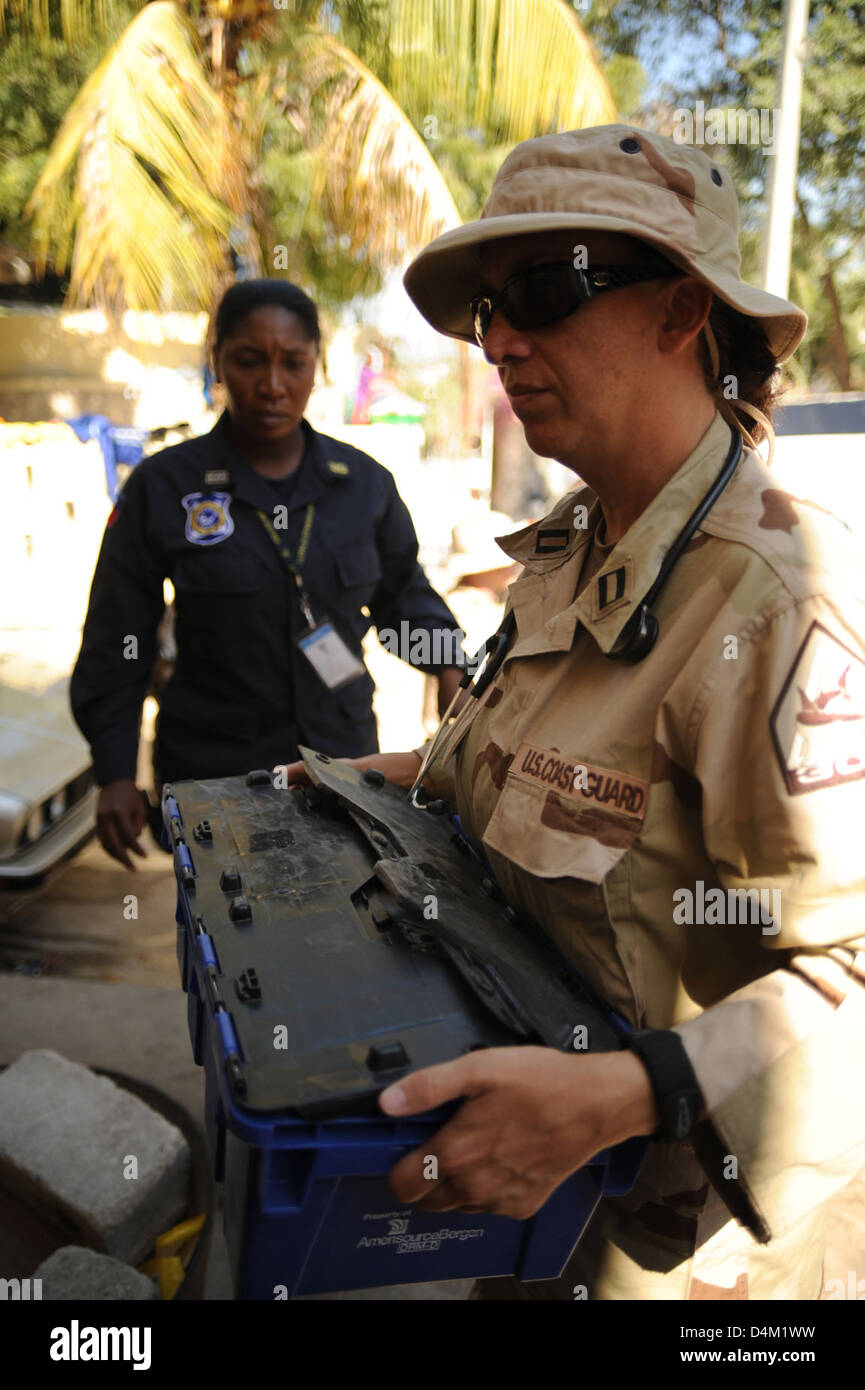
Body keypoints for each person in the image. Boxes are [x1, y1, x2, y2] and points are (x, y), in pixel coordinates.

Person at [279, 125, 865, 1300]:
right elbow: (539, 777)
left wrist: (629, 1091)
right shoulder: (570, 551)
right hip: (540, 1216)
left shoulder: (775, 594)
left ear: (681, 310)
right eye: (489, 306)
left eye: (545, 290)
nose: (498, 338)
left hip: (697, 1263)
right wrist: (392, 782)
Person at [70, 279, 466, 870]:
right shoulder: (164, 487)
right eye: (250, 361)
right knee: (223, 951)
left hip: (344, 775)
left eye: (294, 363)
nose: (273, 385)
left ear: (317, 366)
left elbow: (403, 596)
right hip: (214, 778)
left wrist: (445, 658)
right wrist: (116, 772)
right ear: (218, 363)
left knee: (347, 944)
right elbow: (117, 639)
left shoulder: (362, 486)